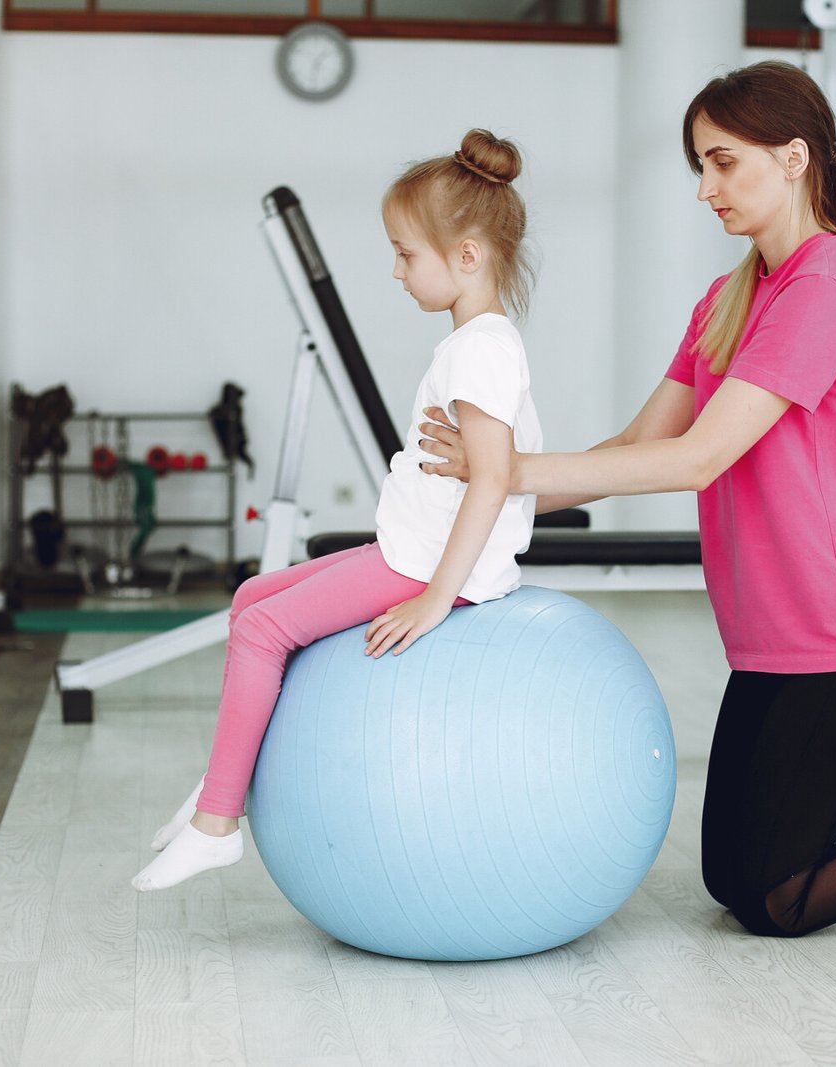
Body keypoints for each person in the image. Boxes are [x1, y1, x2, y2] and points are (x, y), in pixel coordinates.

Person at [416, 63, 836, 933]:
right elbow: (635, 445)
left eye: (722, 162)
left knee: (779, 898)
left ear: (793, 157)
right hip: (773, 637)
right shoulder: (730, 294)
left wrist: (507, 471)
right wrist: (487, 488)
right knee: (731, 875)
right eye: (699, 166)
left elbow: (698, 457)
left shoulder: (827, 285)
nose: (705, 188)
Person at [133, 129, 544, 892]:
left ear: (467, 256)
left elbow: (492, 479)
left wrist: (433, 597)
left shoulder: (482, 349)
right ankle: (222, 781)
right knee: (253, 596)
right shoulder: (474, 340)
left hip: (429, 564)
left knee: (260, 628)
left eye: (405, 253)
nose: (395, 270)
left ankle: (218, 823)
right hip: (412, 545)